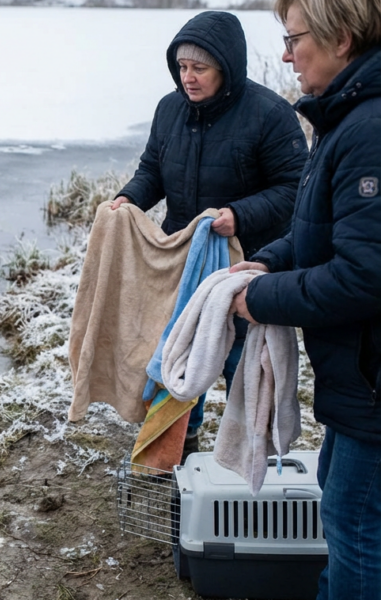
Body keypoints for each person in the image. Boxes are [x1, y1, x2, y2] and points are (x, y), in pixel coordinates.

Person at [229, 1, 381, 597]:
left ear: (341, 39)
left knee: (357, 527)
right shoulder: (344, 116)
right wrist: (270, 257)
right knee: (344, 512)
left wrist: (262, 298)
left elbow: (364, 274)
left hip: (372, 381)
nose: (287, 55)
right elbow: (323, 228)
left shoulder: (369, 129)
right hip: (357, 380)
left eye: (294, 40)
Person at [110, 10, 308, 458]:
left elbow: (297, 188)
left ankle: (256, 462)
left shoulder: (269, 114)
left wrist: (239, 215)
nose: (188, 78)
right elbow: (152, 171)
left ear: (226, 67)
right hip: (185, 267)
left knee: (244, 372)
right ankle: (182, 455)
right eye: (182, 67)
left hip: (249, 270)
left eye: (199, 68)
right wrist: (129, 200)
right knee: (181, 368)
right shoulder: (169, 110)